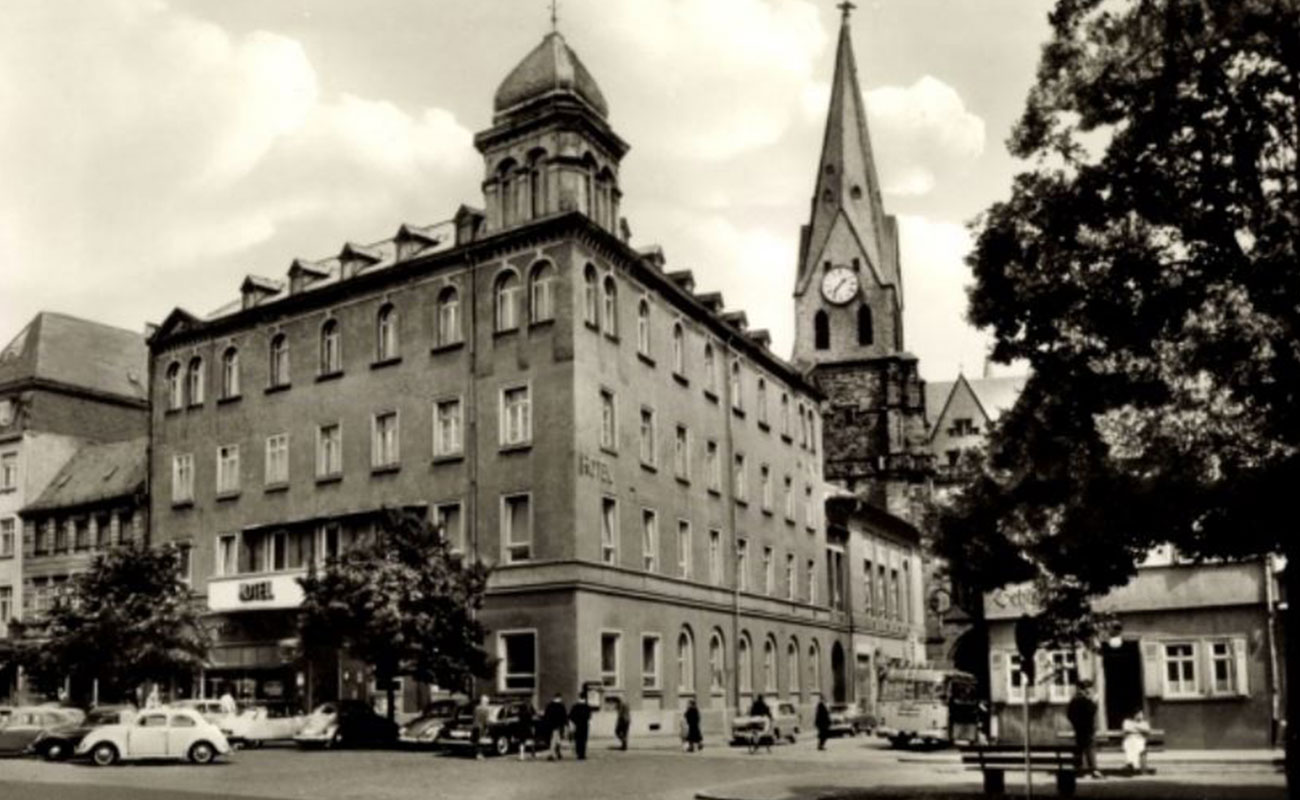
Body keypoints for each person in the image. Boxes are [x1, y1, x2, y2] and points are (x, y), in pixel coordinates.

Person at [1066, 681, 1101, 779]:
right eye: (1089, 688)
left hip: (1079, 728)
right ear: (1086, 689)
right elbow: (1091, 712)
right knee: (1090, 748)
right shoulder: (1086, 700)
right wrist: (1094, 702)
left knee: (1080, 748)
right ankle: (1093, 770)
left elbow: (1069, 715)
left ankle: (1080, 769)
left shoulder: (1074, 700)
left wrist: (1076, 724)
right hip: (1088, 728)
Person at [1121, 710, 1151, 774]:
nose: (1140, 716)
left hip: (1139, 739)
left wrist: (1134, 727)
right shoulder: (1127, 721)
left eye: (1141, 714)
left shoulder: (1144, 723)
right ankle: (1132, 764)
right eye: (1138, 714)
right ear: (1134, 715)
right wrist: (1139, 729)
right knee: (1130, 746)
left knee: (1137, 746)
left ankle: (1131, 764)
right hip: (1129, 739)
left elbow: (1147, 730)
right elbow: (1126, 729)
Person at [543, 693, 568, 760]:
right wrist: (566, 725)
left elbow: (546, 716)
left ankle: (557, 753)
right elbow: (564, 717)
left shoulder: (549, 706)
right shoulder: (561, 706)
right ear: (560, 698)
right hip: (558, 726)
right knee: (555, 740)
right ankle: (552, 754)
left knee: (556, 739)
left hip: (550, 725)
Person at [569, 693, 592, 760]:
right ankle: (582, 754)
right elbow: (589, 717)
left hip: (577, 725)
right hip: (584, 725)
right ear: (585, 699)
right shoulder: (587, 707)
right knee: (584, 740)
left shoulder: (575, 707)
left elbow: (571, 716)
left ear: (579, 698)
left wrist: (573, 723)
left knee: (578, 739)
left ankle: (578, 753)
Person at [472, 694, 492, 760]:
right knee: (481, 741)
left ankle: (477, 754)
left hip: (475, 725)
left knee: (477, 741)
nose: (488, 703)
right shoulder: (486, 709)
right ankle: (480, 754)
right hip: (482, 726)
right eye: (487, 701)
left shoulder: (476, 708)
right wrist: (487, 726)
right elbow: (486, 719)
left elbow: (474, 717)